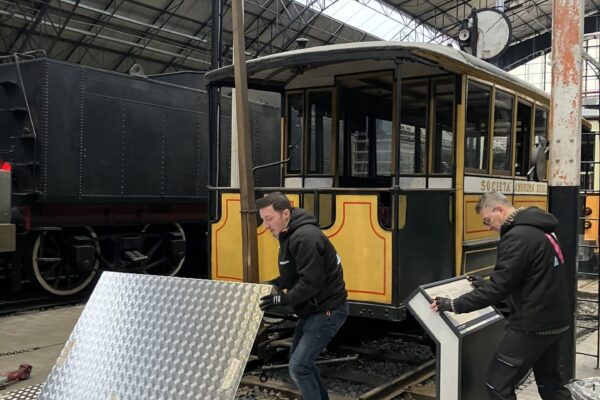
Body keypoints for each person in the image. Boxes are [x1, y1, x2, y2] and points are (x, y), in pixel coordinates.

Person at [431, 191, 572, 400]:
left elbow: (499, 289)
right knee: (551, 385)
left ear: (499, 209)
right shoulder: (544, 230)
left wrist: (453, 304)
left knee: (497, 385)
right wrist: (484, 284)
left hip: (531, 326)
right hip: (557, 321)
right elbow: (529, 279)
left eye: (488, 220)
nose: (488, 227)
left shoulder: (517, 236)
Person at [257, 192, 348, 400]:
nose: (266, 225)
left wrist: (283, 299)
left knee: (299, 367)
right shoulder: (290, 233)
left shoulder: (305, 237)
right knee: (299, 365)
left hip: (327, 311)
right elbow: (298, 272)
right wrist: (276, 284)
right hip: (313, 309)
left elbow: (311, 282)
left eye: (269, 219)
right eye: (263, 220)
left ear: (286, 214)